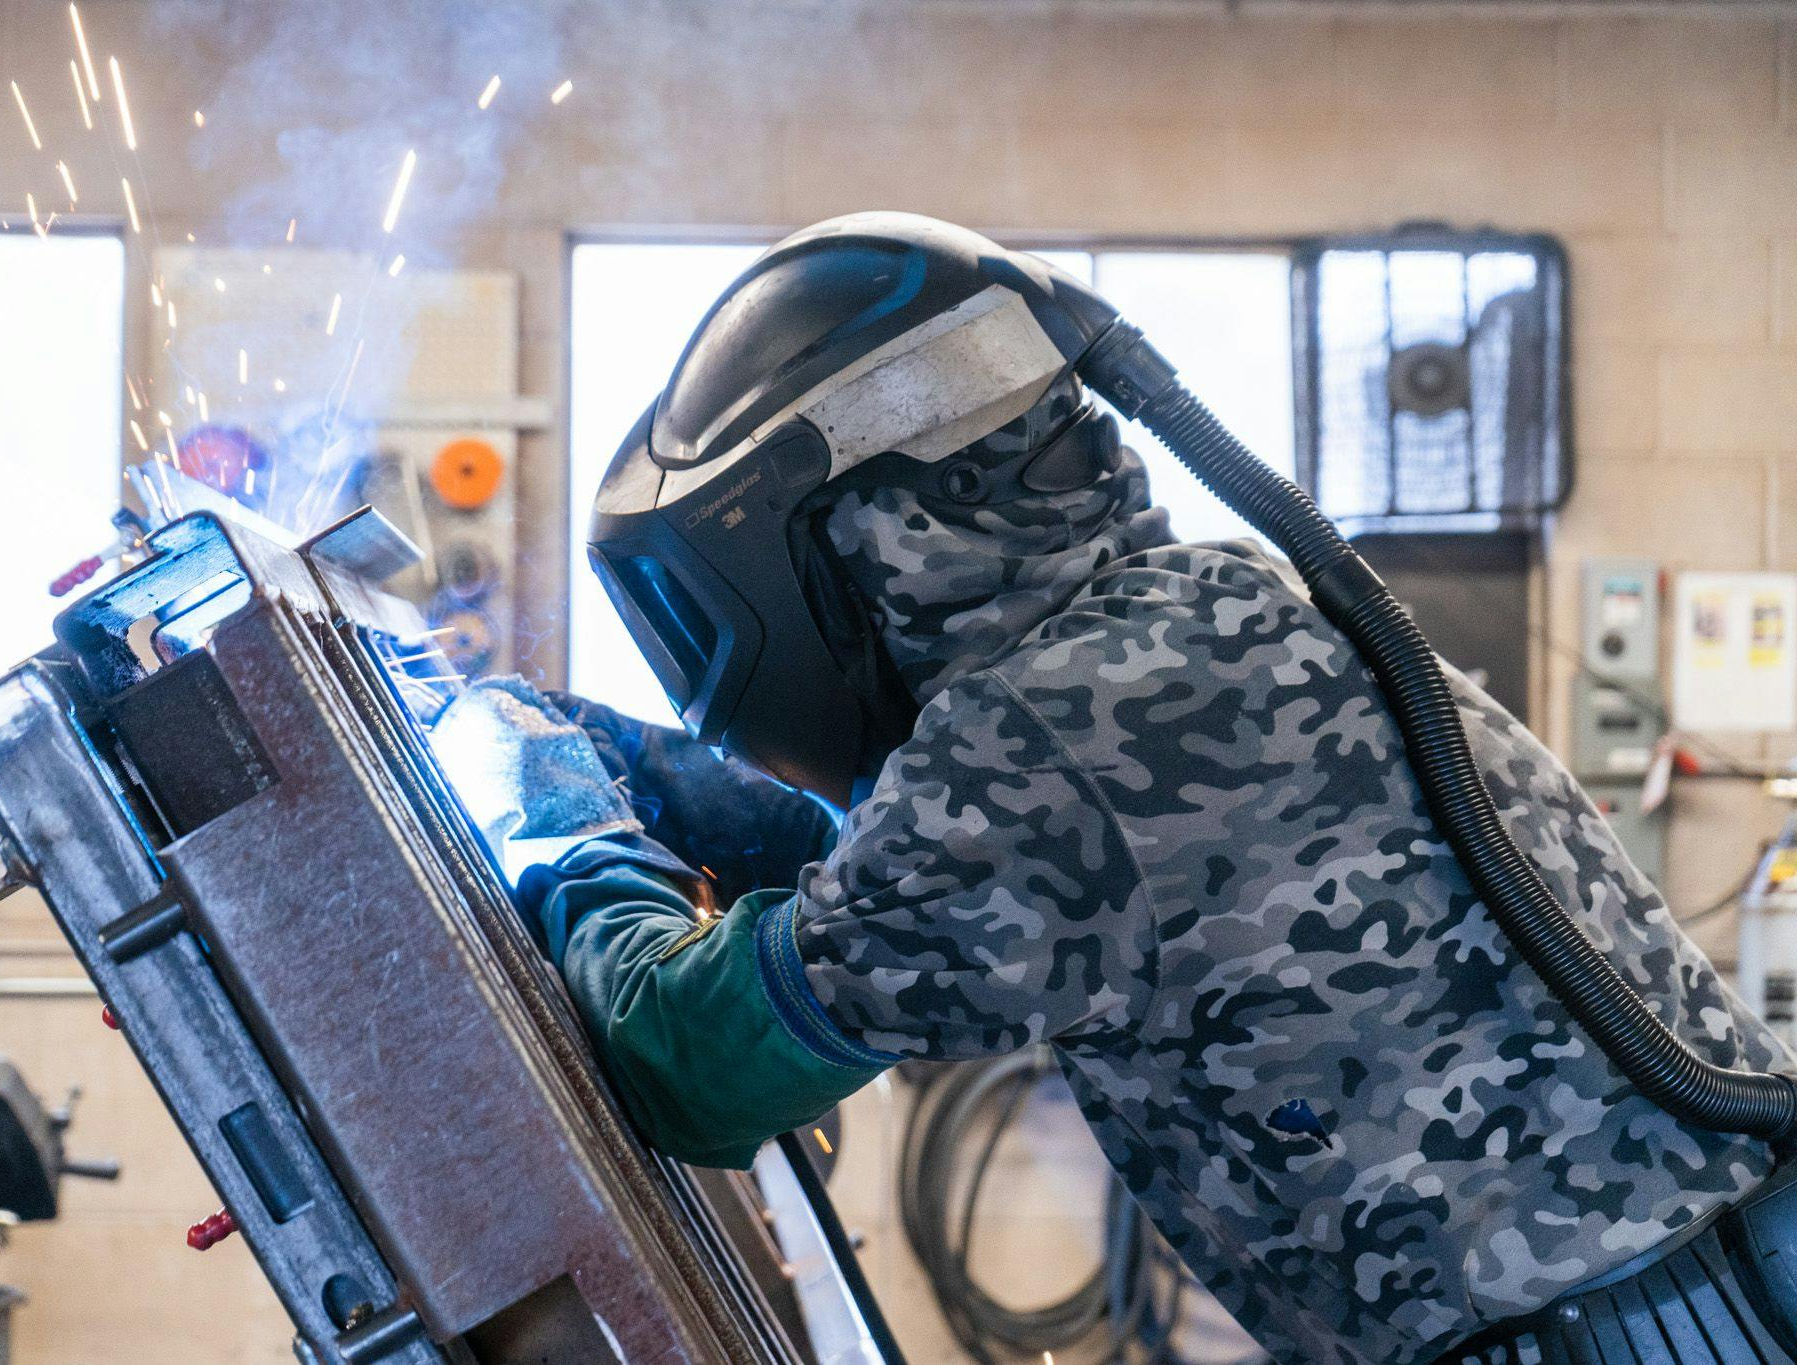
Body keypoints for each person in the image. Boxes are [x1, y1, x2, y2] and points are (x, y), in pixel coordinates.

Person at [432, 215, 1792, 1364]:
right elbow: (905, 869)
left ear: (843, 538)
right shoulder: (1192, 619)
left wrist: (546, 810)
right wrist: (622, 760)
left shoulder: (1046, 740)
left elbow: (696, 1063)